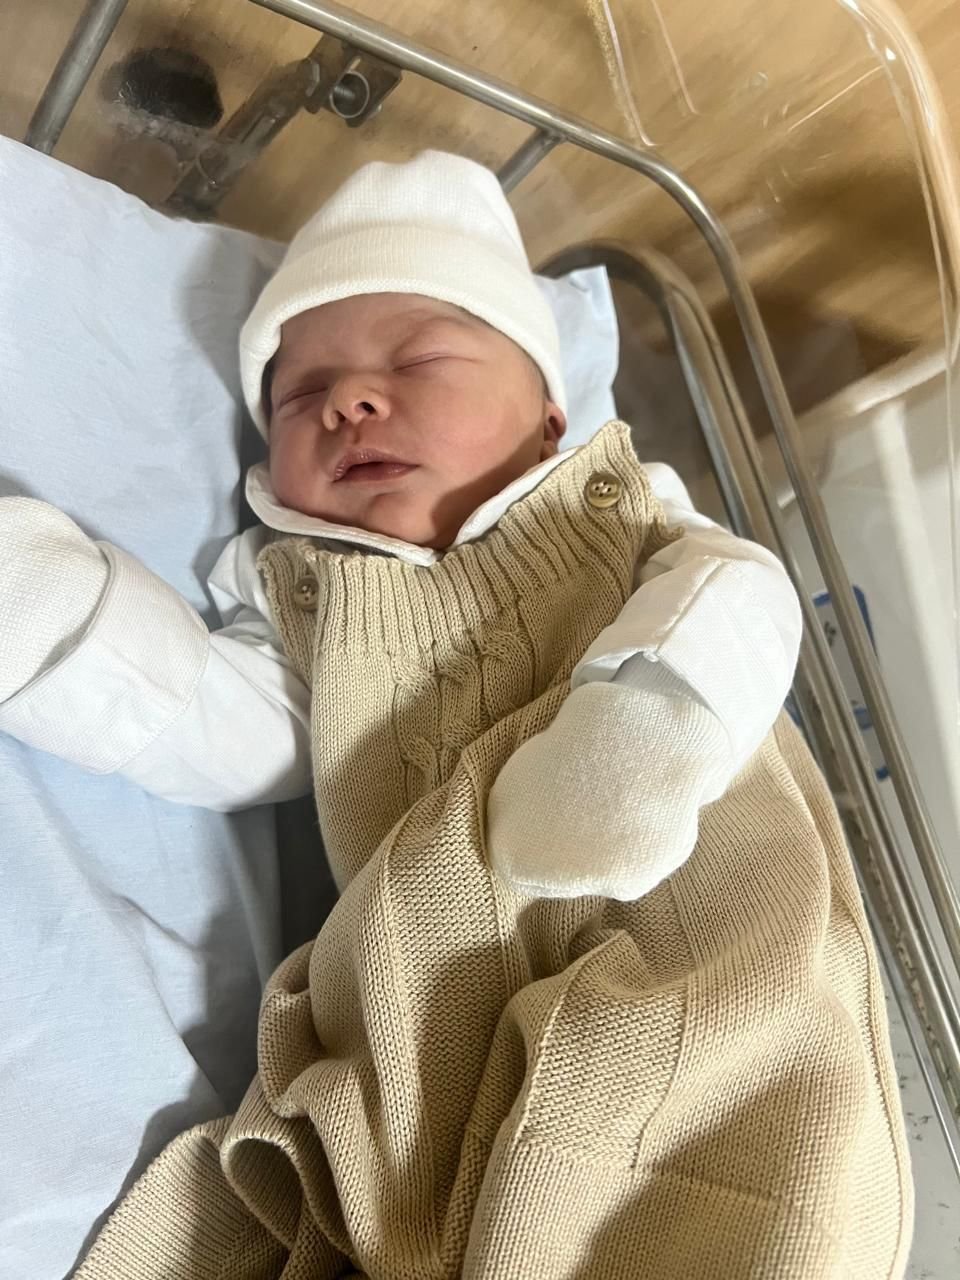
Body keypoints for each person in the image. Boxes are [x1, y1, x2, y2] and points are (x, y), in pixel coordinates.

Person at [0, 152, 911, 1278]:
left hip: (677, 912)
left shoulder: (614, 516)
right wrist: (58, 621)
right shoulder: (306, 595)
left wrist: (641, 729)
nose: (348, 400)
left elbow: (742, 602)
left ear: (549, 419)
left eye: (419, 359)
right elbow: (228, 729)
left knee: (715, 1121)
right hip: (436, 998)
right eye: (299, 395)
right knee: (389, 1194)